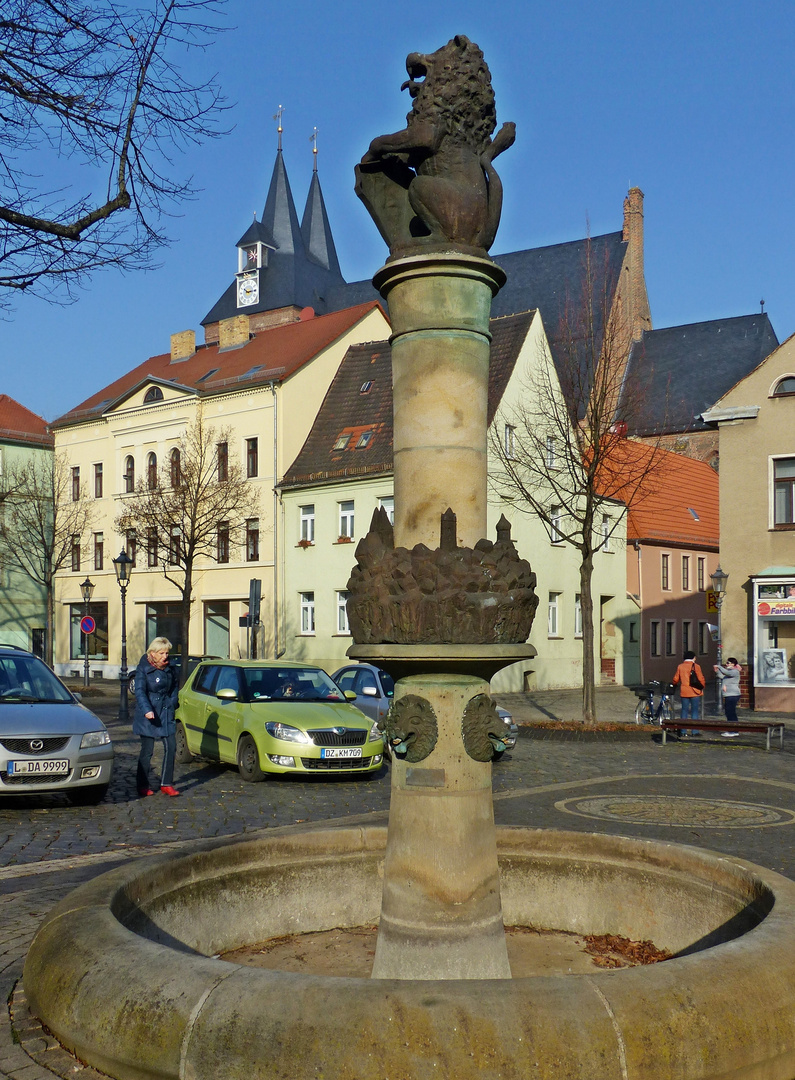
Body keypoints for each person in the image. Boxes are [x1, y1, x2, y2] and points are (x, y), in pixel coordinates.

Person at [133, 636, 181, 797]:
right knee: (147, 750)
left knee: (171, 746)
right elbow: (139, 691)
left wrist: (173, 702)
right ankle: (142, 784)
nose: (165, 656)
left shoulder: (171, 668)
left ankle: (166, 783)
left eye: (167, 653)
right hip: (149, 713)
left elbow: (174, 686)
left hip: (166, 711)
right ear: (152, 653)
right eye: (161, 653)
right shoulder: (143, 668)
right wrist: (147, 709)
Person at [672, 650, 705, 738]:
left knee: (684, 710)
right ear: (693, 658)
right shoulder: (696, 666)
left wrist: (674, 684)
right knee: (694, 711)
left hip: (684, 691)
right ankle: (694, 731)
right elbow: (701, 678)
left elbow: (675, 679)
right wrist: (702, 686)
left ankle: (683, 731)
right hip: (695, 691)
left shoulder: (680, 666)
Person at [714, 657, 742, 737]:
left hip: (732, 695)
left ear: (733, 664)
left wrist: (719, 666)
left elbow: (726, 673)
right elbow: (723, 676)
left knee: (730, 712)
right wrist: (717, 671)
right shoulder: (729, 672)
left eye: (728, 663)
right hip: (728, 695)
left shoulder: (734, 672)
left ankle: (732, 730)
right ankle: (733, 730)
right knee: (729, 712)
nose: (726, 664)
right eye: (726, 663)